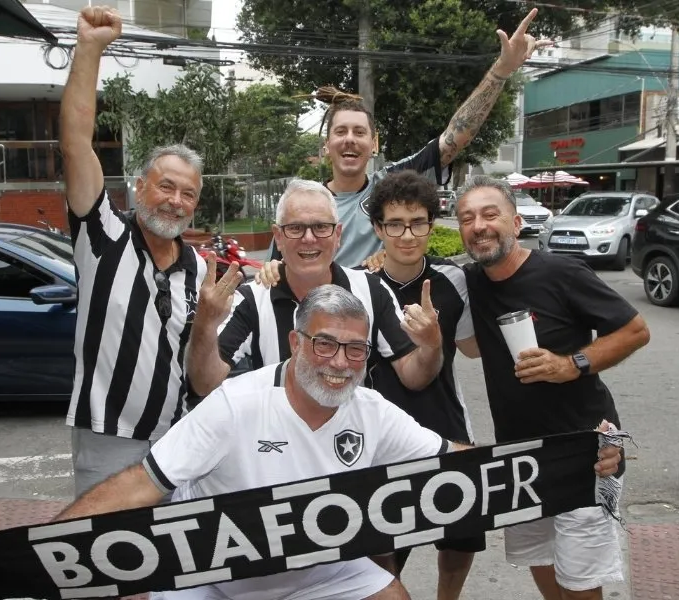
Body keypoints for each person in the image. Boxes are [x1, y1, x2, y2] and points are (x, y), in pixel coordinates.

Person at [0, 285, 626, 600]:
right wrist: (35, 545)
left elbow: (457, 466)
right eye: (325, 344)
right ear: (298, 342)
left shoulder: (372, 408)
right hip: (215, 580)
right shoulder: (237, 404)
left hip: (328, 572)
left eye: (355, 350)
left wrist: (573, 456)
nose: (338, 362)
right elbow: (137, 486)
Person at [61, 5, 232, 498]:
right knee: (106, 559)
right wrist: (90, 49)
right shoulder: (102, 235)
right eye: (166, 186)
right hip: (108, 437)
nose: (176, 201)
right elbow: (76, 144)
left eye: (189, 194)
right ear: (139, 187)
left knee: (170, 564)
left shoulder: (199, 269)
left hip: (179, 440)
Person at [455, 175, 652, 600]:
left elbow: (635, 330)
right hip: (520, 457)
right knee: (541, 562)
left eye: (491, 214)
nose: (479, 226)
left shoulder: (561, 272)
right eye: (467, 219)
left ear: (516, 222)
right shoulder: (470, 281)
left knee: (581, 583)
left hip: (583, 450)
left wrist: (572, 364)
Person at [268, 8, 552, 269]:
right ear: (326, 147)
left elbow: (456, 135)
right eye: (340, 132)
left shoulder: (391, 183)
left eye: (360, 132)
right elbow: (276, 272)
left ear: (374, 143)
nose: (350, 139)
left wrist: (501, 70)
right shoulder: (305, 206)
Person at [185, 178, 443, 398]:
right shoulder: (252, 299)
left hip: (351, 447)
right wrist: (205, 324)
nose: (309, 238)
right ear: (278, 236)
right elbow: (204, 384)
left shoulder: (372, 291)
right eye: (296, 228)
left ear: (338, 234)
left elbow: (414, 376)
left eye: (321, 227)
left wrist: (432, 346)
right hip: (278, 445)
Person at [361, 170, 484, 599]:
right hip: (382, 437)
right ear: (378, 228)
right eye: (395, 224)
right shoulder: (360, 284)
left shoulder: (455, 280)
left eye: (417, 222)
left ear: (432, 223)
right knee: (383, 546)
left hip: (446, 423)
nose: (407, 235)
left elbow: (472, 347)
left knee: (460, 533)